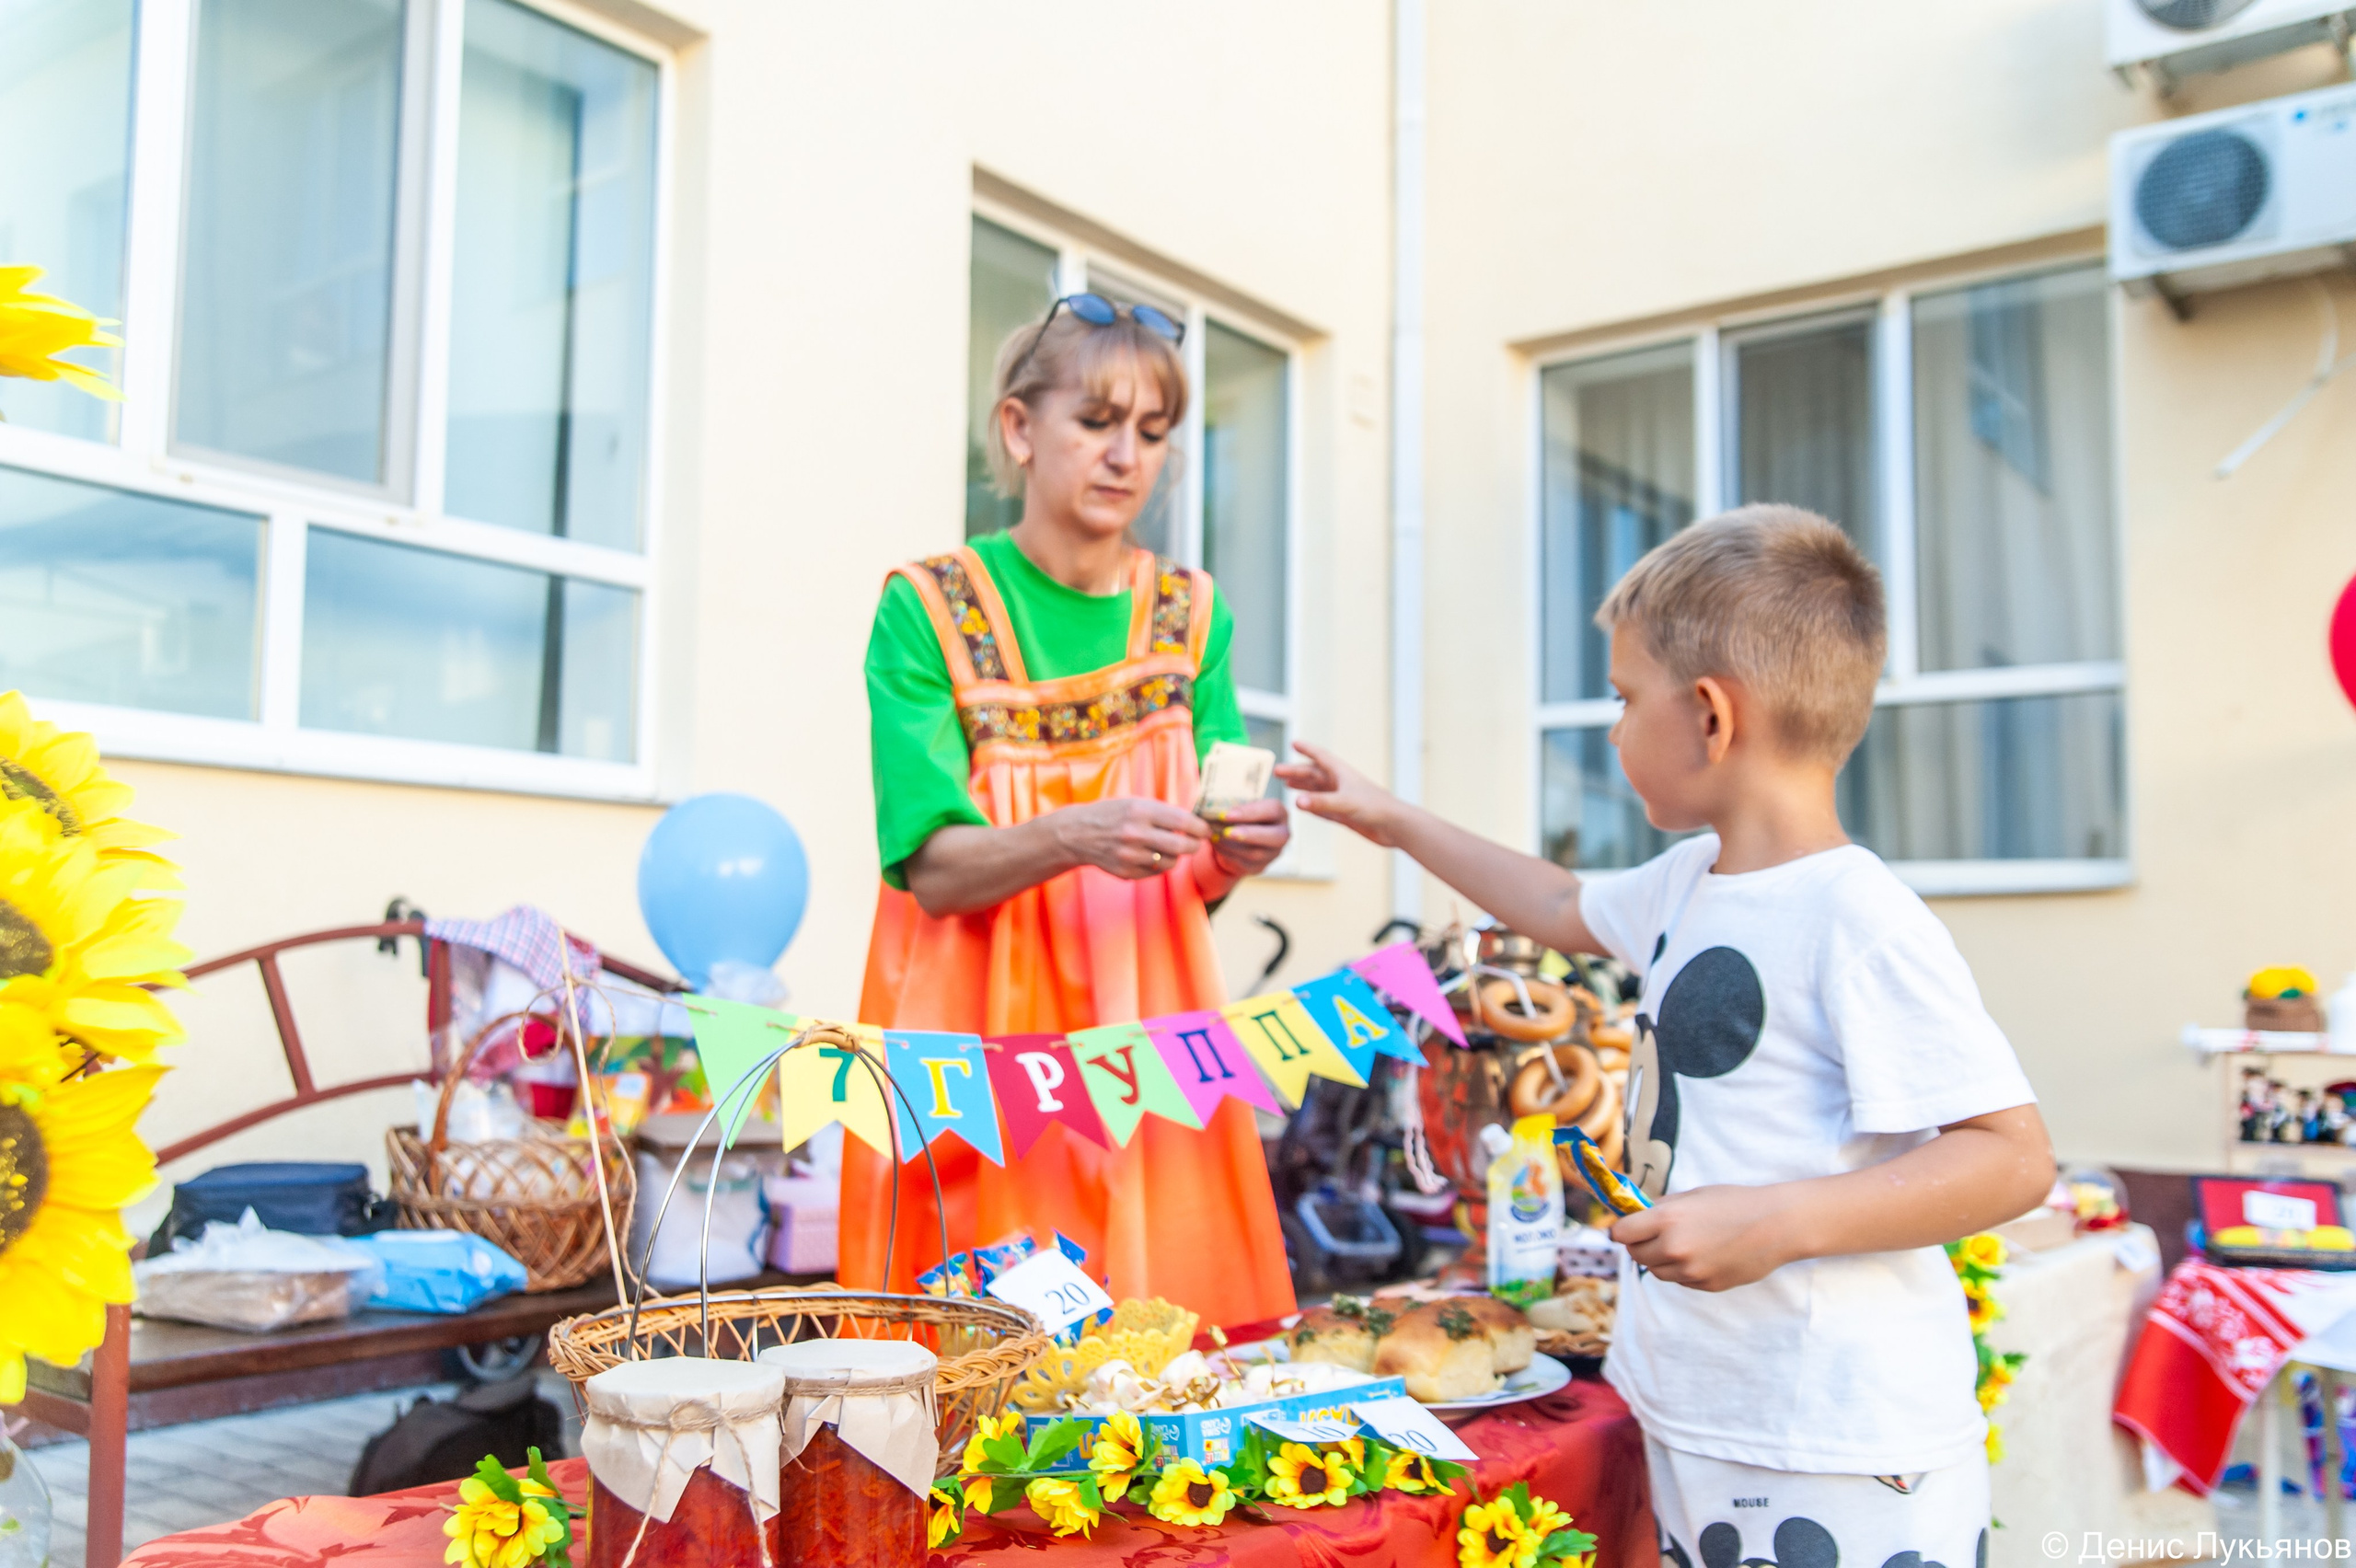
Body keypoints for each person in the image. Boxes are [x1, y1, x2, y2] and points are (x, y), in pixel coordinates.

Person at [1280, 506, 2055, 1567]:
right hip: (1707, 1416)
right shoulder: (1686, 884)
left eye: (1620, 696)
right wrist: (1393, 820)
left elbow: (2009, 1156)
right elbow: (1556, 902)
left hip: (1839, 1446)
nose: (1608, 729)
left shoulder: (1858, 921)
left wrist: (1777, 1219)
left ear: (1708, 718)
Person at [840, 292, 1297, 1328]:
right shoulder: (926, 606)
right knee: (983, 1381)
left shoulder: (1193, 614)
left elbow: (1192, 883)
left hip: (1150, 1041)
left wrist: (1238, 852)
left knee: (1164, 1366)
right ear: (1017, 427)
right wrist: (1070, 834)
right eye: (1095, 422)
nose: (1123, 456)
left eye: (1151, 432)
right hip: (978, 1060)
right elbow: (934, 871)